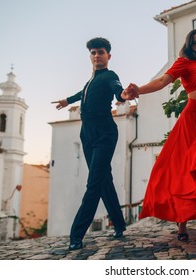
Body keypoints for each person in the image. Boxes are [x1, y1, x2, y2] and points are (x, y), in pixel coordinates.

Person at [124, 29, 196, 249]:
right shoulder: (183, 63)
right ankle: (182, 225)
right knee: (184, 171)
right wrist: (138, 90)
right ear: (189, 46)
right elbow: (162, 81)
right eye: (194, 43)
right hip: (191, 120)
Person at [52, 37, 134, 250]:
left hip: (105, 133)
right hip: (86, 134)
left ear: (108, 56)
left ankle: (76, 235)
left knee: (94, 183)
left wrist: (123, 96)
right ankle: (120, 224)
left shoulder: (110, 75)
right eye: (94, 52)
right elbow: (83, 94)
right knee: (104, 179)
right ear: (90, 56)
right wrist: (67, 101)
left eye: (101, 52)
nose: (97, 55)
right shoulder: (90, 80)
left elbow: (118, 89)